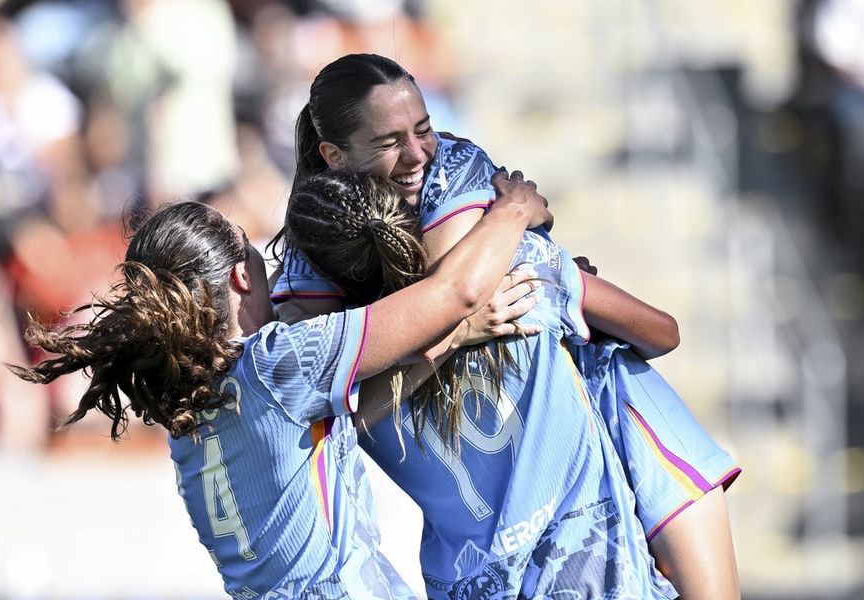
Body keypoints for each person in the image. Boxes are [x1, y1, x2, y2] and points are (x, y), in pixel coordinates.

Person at [271, 53, 741, 599]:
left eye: (424, 129)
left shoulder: (493, 235)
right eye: (388, 141)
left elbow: (440, 301)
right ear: (333, 155)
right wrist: (515, 216)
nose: (420, 152)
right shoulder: (520, 270)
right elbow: (456, 294)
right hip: (549, 549)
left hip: (603, 451)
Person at [7, 168, 552, 599]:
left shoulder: (188, 409)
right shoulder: (275, 364)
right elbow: (454, 292)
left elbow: (345, 425)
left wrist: (453, 339)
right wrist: (513, 208)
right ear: (241, 276)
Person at [283, 169, 678, 598]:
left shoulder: (340, 382)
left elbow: (332, 416)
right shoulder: (525, 269)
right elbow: (663, 334)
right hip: (600, 572)